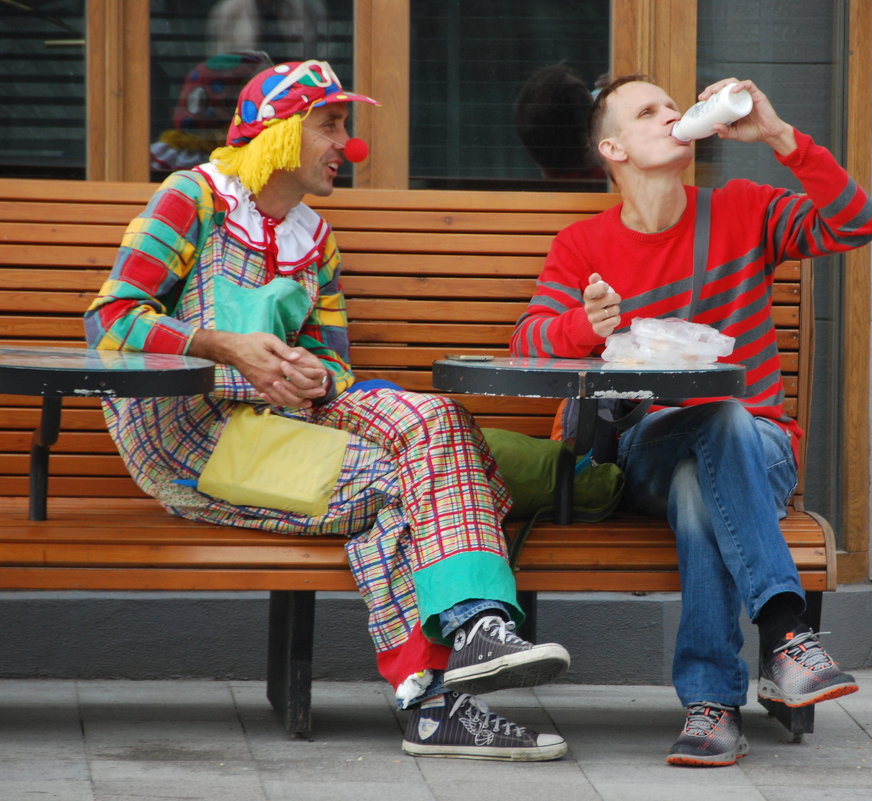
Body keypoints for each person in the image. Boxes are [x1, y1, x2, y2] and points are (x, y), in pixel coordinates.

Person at [85, 59, 571, 762]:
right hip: (188, 440)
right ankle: (431, 698)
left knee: (435, 422)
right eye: (333, 124)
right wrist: (224, 347)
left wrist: (313, 374)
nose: (350, 143)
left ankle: (478, 628)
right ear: (280, 131)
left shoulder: (316, 238)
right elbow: (110, 321)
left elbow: (333, 363)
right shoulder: (191, 198)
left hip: (279, 422)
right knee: (414, 483)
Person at [510, 75, 872, 767]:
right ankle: (783, 632)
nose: (671, 116)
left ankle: (711, 705)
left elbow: (856, 223)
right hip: (643, 451)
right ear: (612, 147)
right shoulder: (584, 245)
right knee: (697, 443)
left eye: (674, 107)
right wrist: (581, 325)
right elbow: (527, 343)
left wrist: (778, 136)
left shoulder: (742, 210)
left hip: (758, 448)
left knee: (704, 463)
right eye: (648, 111)